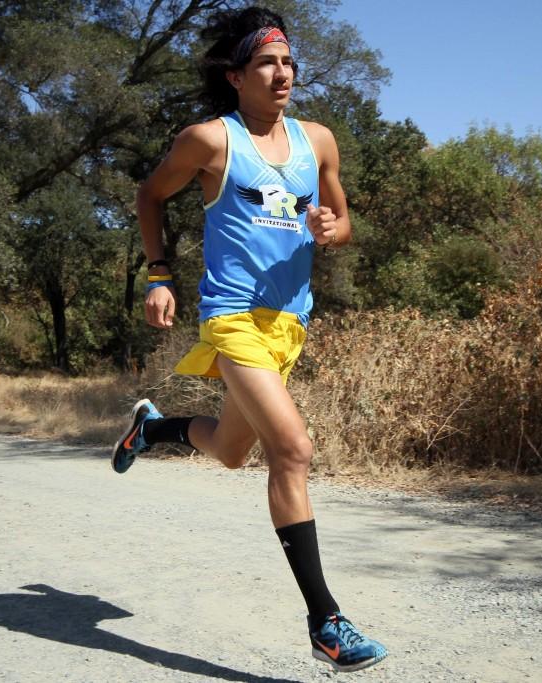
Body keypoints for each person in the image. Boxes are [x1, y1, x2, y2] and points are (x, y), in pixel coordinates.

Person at [110, 6, 388, 674]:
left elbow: (344, 221)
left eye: (289, 61)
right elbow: (151, 196)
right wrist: (158, 274)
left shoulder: (317, 140)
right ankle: (327, 620)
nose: (283, 72)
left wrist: (331, 227)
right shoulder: (210, 141)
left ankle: (151, 431)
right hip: (232, 317)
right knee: (292, 448)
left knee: (233, 452)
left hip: (288, 323)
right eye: (267, 62)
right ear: (236, 75)